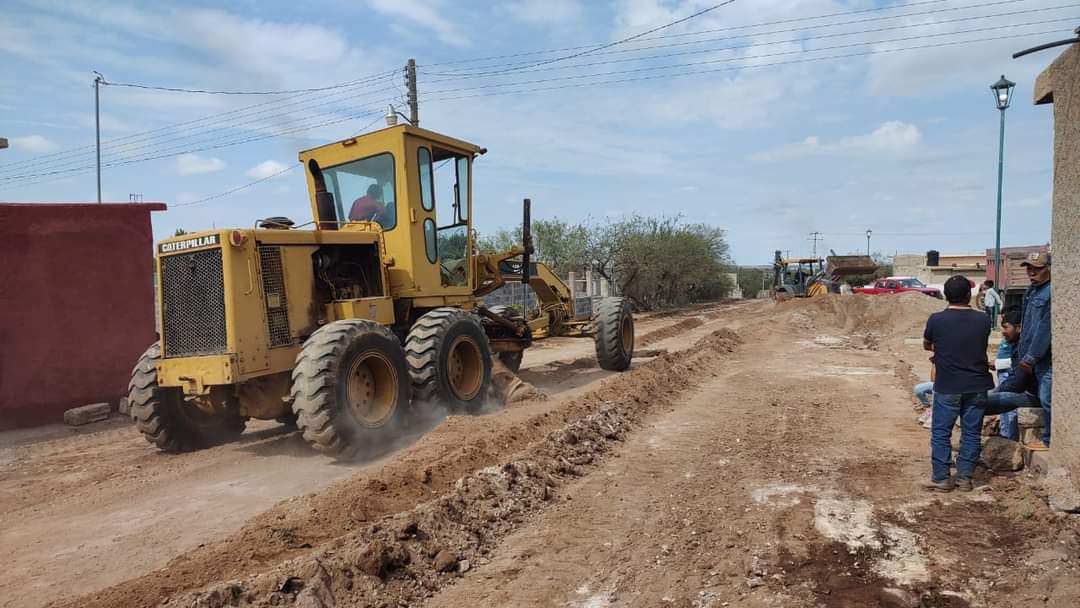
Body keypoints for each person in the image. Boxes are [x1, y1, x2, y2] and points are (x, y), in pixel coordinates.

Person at [921, 275, 994, 492]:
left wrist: (941, 349)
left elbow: (927, 344)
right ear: (967, 296)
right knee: (971, 433)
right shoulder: (983, 319)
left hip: (948, 385)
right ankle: (965, 479)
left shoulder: (936, 319)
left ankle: (941, 478)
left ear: (945, 295)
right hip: (977, 385)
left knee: (941, 432)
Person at [1014, 252, 1052, 449]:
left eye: (1036, 268)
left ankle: (1050, 440)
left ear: (1049, 269)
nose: (1031, 272)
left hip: (1043, 359)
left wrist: (1031, 357)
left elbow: (1045, 329)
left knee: (1048, 399)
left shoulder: (1050, 293)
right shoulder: (1032, 291)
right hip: (1030, 357)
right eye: (1029, 268)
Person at [988, 307, 1033, 441]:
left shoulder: (1024, 348)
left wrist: (996, 392)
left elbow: (1017, 383)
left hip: (1030, 396)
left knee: (983, 403)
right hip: (1019, 388)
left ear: (1018, 328)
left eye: (1006, 327)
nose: (1003, 332)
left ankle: (1010, 441)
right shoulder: (1017, 345)